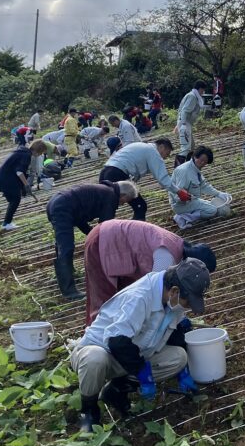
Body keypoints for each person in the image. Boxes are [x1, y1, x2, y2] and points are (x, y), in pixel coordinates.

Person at [70, 258, 211, 431]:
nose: (188, 307)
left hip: (131, 353)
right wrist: (143, 373)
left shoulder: (172, 301)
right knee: (94, 359)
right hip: (102, 350)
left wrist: (183, 371)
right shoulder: (140, 296)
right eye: (188, 302)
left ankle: (116, 390)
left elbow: (173, 333)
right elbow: (117, 341)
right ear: (174, 291)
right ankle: (88, 412)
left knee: (178, 357)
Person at [83, 219, 217, 324]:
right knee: (104, 298)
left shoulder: (178, 247)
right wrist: (173, 318)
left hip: (117, 239)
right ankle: (94, 343)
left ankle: (123, 330)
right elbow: (154, 291)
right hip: (104, 240)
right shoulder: (167, 257)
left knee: (127, 297)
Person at [45, 181, 138, 300]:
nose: (123, 204)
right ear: (123, 195)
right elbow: (105, 227)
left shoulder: (105, 191)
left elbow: (81, 218)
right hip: (63, 207)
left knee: (62, 243)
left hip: (57, 203)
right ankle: (69, 291)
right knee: (66, 246)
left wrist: (91, 234)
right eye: (125, 201)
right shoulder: (110, 197)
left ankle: (69, 273)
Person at [98, 139, 191, 220]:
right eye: (166, 154)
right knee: (140, 206)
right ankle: (135, 232)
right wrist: (178, 191)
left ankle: (101, 232)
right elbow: (162, 178)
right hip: (116, 174)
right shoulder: (153, 152)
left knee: (107, 208)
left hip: (105, 172)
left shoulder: (142, 146)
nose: (165, 158)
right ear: (162, 147)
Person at [0, 140, 47, 231]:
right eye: (41, 153)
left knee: (14, 199)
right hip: (7, 180)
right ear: (38, 150)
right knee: (15, 200)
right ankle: (6, 223)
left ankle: (7, 222)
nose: (40, 155)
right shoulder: (26, 155)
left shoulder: (23, 152)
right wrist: (26, 184)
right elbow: (19, 172)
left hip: (5, 179)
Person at [169, 145, 232, 229]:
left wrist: (218, 194)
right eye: (201, 160)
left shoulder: (195, 169)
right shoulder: (184, 171)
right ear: (195, 156)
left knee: (211, 205)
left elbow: (204, 185)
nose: (202, 163)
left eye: (205, 162)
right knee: (212, 210)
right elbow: (178, 193)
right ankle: (182, 217)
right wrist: (188, 200)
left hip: (191, 199)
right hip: (181, 204)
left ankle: (185, 215)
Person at [175, 80, 209, 166]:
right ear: (200, 89)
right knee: (186, 148)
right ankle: (178, 169)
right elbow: (184, 111)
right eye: (203, 90)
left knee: (191, 147)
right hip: (185, 123)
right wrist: (183, 125)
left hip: (186, 123)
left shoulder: (193, 96)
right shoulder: (192, 97)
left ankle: (188, 167)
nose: (203, 92)